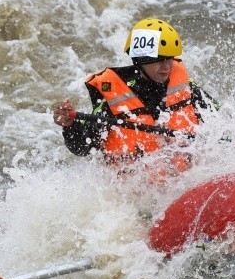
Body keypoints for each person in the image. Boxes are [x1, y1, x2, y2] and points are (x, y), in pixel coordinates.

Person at [53, 18, 217, 171]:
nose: (166, 67)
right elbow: (83, 147)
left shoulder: (185, 87)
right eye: (159, 60)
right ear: (141, 59)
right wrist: (70, 126)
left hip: (183, 182)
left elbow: (221, 118)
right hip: (134, 194)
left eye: (169, 59)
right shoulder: (115, 99)